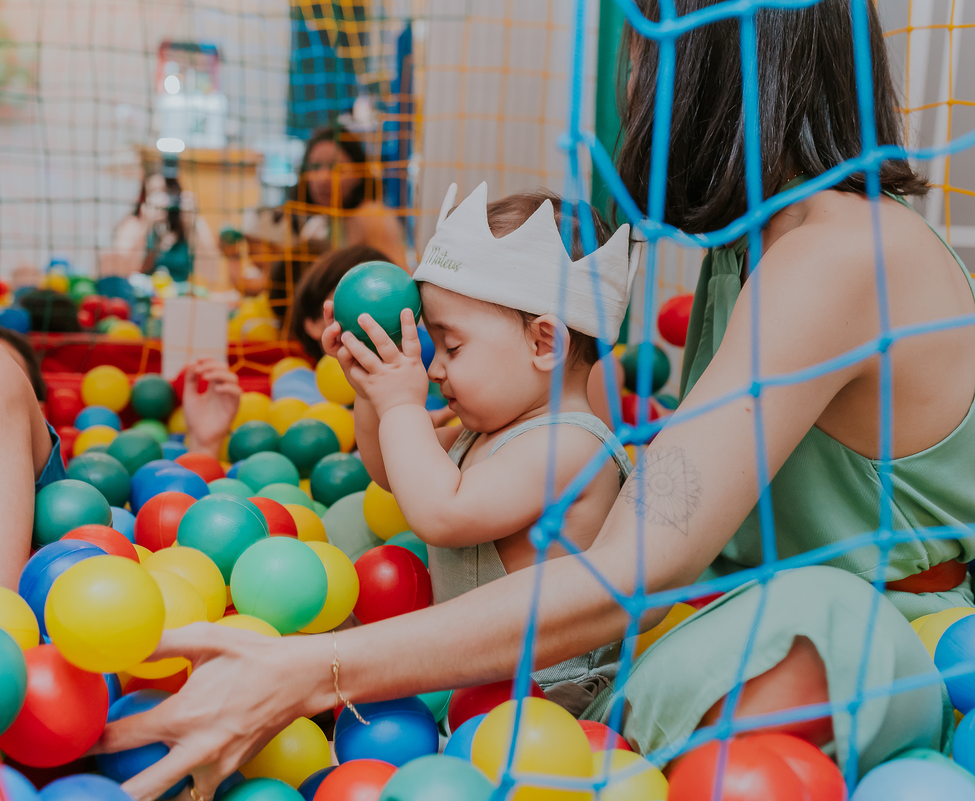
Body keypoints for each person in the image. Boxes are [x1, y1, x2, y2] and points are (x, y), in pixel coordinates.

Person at [94, 1, 975, 798]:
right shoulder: (746, 252)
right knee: (383, 539)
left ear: (707, 57)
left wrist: (314, 667)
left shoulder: (837, 253)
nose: (637, 84)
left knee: (820, 625)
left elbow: (633, 567)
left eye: (645, 55)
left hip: (886, 630)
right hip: (712, 596)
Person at [328, 185, 633, 713]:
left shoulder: (571, 448)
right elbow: (387, 470)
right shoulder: (486, 432)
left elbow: (441, 512)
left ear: (544, 344)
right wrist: (371, 388)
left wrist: (401, 404)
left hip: (547, 701)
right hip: (465, 682)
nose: (435, 367)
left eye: (452, 346)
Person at [0, 325, 241, 588]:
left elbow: (188, 515)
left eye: (12, 377)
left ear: (37, 413)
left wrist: (203, 447)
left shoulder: (66, 486)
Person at [291, 126, 408, 270]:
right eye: (315, 167)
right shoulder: (317, 225)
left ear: (359, 174)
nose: (323, 178)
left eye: (336, 168)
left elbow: (398, 277)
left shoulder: (373, 218)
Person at [282, 244, 392, 361]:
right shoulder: (297, 376)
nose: (377, 305)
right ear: (314, 322)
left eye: (389, 295)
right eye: (357, 294)